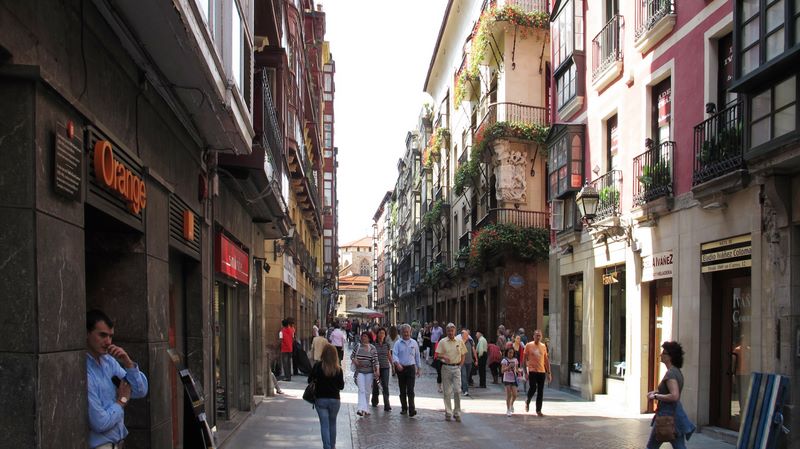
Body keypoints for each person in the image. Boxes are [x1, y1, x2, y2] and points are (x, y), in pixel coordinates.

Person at [86, 310, 149, 449]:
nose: (108, 342)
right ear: (87, 333)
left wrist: (128, 363)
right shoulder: (85, 371)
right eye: (102, 335)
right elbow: (99, 423)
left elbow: (140, 391)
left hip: (119, 443)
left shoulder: (109, 362)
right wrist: (121, 401)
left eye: (110, 336)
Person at [646, 341, 696, 448]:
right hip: (674, 416)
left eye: (664, 353)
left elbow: (674, 395)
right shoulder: (676, 371)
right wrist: (656, 392)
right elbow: (670, 392)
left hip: (666, 416)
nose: (661, 355)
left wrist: (655, 396)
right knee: (679, 447)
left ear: (670, 357)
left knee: (651, 446)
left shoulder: (671, 373)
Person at [309, 343, 345, 449]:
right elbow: (341, 386)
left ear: (323, 354)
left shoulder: (318, 366)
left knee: (324, 424)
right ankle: (332, 446)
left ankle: (327, 447)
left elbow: (309, 380)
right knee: (332, 423)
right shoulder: (338, 369)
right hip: (335, 400)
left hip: (321, 399)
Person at [436, 323, 466, 422]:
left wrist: (460, 366)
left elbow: (463, 354)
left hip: (456, 367)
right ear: (446, 331)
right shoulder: (442, 342)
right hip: (446, 368)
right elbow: (437, 355)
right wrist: (443, 356)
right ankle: (448, 412)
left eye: (452, 331)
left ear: (455, 331)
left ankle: (457, 412)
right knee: (447, 392)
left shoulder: (460, 341)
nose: (450, 332)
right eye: (448, 331)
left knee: (457, 390)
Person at [393, 323, 422, 417]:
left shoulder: (414, 343)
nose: (406, 334)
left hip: (411, 368)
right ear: (401, 333)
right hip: (401, 368)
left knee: (410, 389)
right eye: (404, 332)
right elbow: (395, 355)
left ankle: (412, 409)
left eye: (407, 332)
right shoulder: (397, 343)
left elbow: (417, 356)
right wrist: (397, 364)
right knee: (402, 389)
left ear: (410, 332)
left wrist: (419, 368)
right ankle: (404, 408)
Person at [523, 329, 551, 415]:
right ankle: (528, 400)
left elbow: (546, 360)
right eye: (536, 335)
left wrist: (549, 372)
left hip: (541, 371)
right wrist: (525, 372)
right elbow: (524, 360)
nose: (538, 337)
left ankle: (538, 410)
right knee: (533, 388)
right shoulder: (528, 345)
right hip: (532, 370)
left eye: (539, 335)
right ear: (533, 336)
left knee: (540, 391)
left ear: (541, 337)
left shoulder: (543, 346)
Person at [351, 332, 379, 416]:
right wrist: (354, 360)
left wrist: (377, 370)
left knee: (367, 391)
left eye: (365, 336)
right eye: (362, 336)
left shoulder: (372, 348)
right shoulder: (358, 346)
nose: (363, 338)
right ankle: (360, 408)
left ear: (369, 338)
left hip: (369, 372)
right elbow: (352, 356)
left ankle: (366, 408)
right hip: (360, 371)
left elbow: (375, 360)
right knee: (361, 390)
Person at [371, 328, 393, 411]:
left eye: (383, 333)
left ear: (385, 335)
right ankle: (374, 400)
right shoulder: (373, 345)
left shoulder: (387, 345)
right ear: (377, 334)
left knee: (385, 386)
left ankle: (387, 404)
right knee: (376, 385)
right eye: (380, 333)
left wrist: (392, 365)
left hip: (385, 367)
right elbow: (371, 356)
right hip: (376, 368)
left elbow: (389, 355)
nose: (382, 335)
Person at [501, 347, 521, 417]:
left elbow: (517, 369)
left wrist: (519, 372)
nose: (511, 354)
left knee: (515, 395)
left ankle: (511, 404)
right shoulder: (504, 360)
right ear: (507, 353)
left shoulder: (515, 360)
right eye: (509, 352)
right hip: (507, 379)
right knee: (509, 395)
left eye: (512, 353)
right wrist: (508, 367)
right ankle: (508, 409)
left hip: (514, 379)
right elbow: (502, 370)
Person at [460, 329, 477, 396]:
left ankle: (463, 386)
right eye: (465, 334)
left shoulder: (470, 341)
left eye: (467, 334)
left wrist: (476, 359)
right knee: (464, 375)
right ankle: (465, 390)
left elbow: (474, 351)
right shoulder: (460, 342)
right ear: (462, 335)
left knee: (466, 376)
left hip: (469, 362)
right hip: (462, 362)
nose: (467, 335)